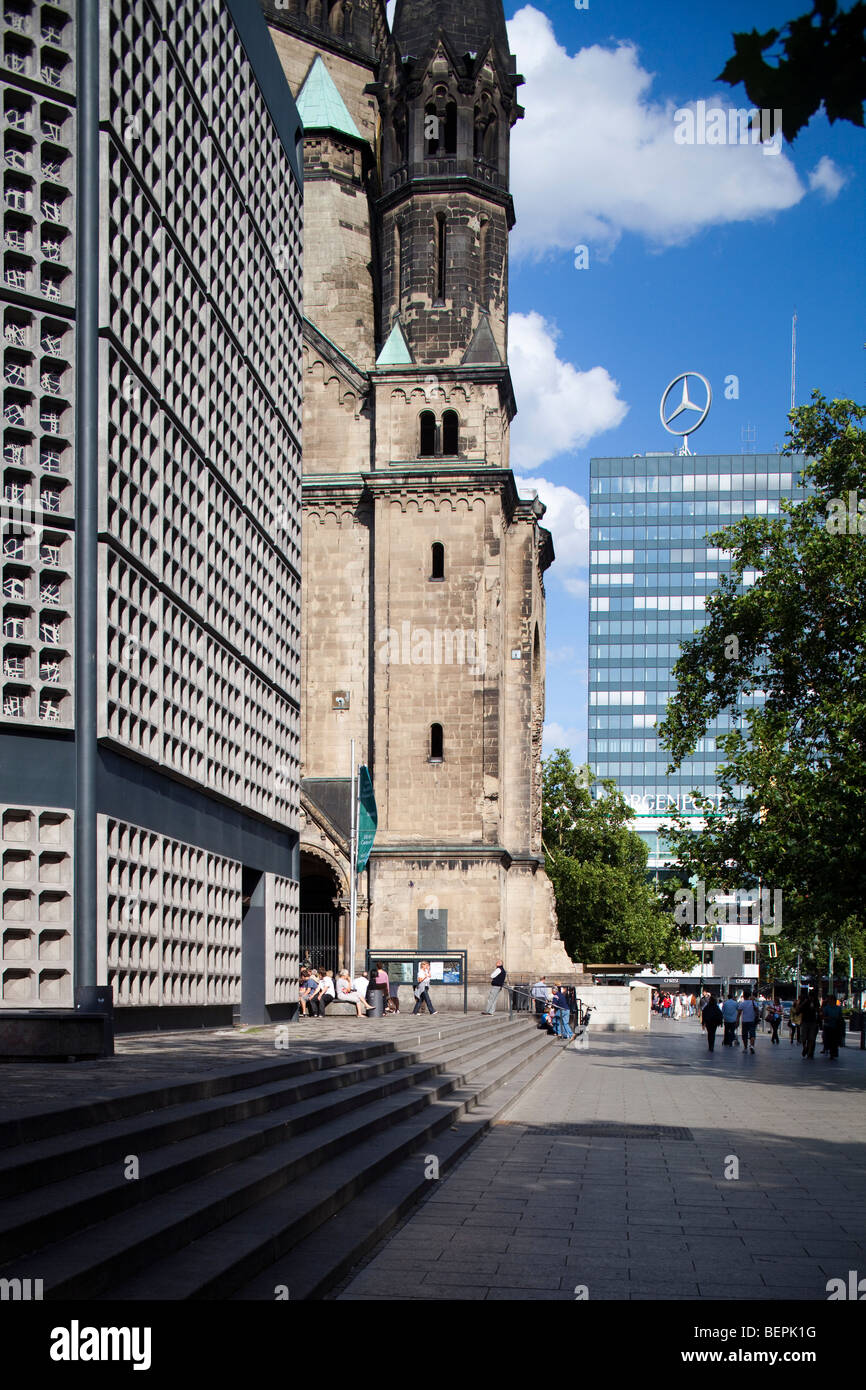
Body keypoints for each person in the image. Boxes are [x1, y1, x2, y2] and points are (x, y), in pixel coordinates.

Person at [821, 993, 844, 1060]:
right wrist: (827, 1018)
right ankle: (830, 1051)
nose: (830, 1001)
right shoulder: (826, 1008)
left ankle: (834, 1052)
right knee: (828, 1039)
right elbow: (823, 1016)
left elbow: (840, 1017)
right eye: (829, 1000)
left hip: (836, 1026)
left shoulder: (838, 1008)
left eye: (831, 1000)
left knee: (835, 1040)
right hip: (828, 1026)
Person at [800, 990, 820, 1059]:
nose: (811, 998)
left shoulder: (816, 1001)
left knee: (811, 1038)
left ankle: (809, 1051)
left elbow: (818, 1010)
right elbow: (799, 1009)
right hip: (805, 1021)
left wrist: (814, 1008)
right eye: (810, 996)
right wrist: (804, 1003)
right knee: (804, 1037)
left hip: (813, 1021)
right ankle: (805, 1047)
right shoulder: (805, 1001)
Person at [737, 989, 758, 1054]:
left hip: (745, 1021)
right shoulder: (753, 1002)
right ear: (750, 995)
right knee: (752, 1034)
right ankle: (752, 1046)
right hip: (752, 1020)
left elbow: (739, 1013)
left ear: (743, 996)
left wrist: (737, 1020)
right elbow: (757, 1010)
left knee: (744, 1035)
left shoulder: (742, 1003)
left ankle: (745, 1048)